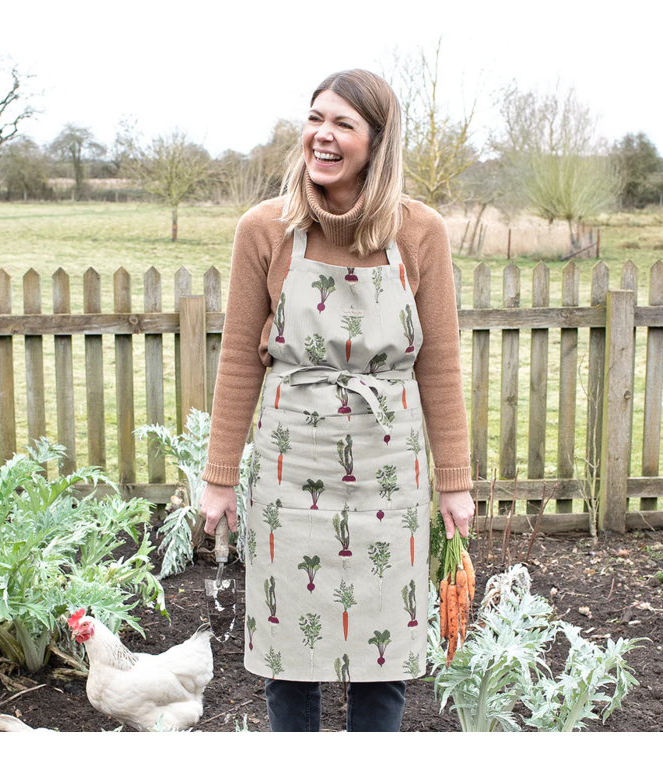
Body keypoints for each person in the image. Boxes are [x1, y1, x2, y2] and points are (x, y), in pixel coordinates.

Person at [200, 69, 476, 733]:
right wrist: (217, 479)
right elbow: (240, 357)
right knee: (289, 655)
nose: (321, 135)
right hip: (290, 464)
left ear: (377, 142)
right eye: (315, 118)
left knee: (384, 658)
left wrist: (455, 483)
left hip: (390, 465)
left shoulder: (420, 232)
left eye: (342, 124)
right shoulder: (263, 229)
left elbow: (438, 362)